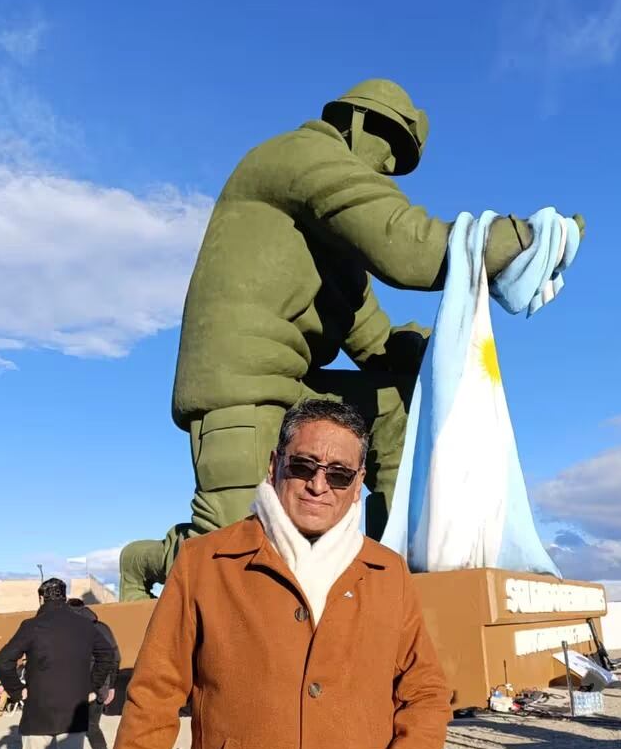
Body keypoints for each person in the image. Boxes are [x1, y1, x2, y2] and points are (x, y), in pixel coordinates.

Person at [120, 78, 579, 598]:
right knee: (239, 545)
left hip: (297, 387)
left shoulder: (337, 255)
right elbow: (411, 248)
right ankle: (144, 561)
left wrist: (436, 353)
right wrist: (521, 240)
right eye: (391, 150)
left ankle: (383, 576)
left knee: (393, 405)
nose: (388, 169)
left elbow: (374, 341)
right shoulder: (300, 156)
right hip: (240, 383)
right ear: (357, 125)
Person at [105, 400, 452, 749]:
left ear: (358, 482)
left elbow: (427, 693)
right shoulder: (205, 565)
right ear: (274, 466)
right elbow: (149, 710)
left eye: (339, 473)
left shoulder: (388, 576)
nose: (320, 484)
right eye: (304, 466)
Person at [0, 577, 114, 749]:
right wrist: (93, 687)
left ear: (41, 599)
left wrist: (17, 690)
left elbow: (3, 659)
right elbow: (107, 653)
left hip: (38, 707)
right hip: (74, 707)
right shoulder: (84, 625)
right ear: (63, 596)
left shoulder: (31, 626)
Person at [58, 598, 120, 749]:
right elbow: (114, 658)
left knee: (71, 736)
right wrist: (111, 686)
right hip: (99, 688)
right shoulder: (102, 628)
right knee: (93, 728)